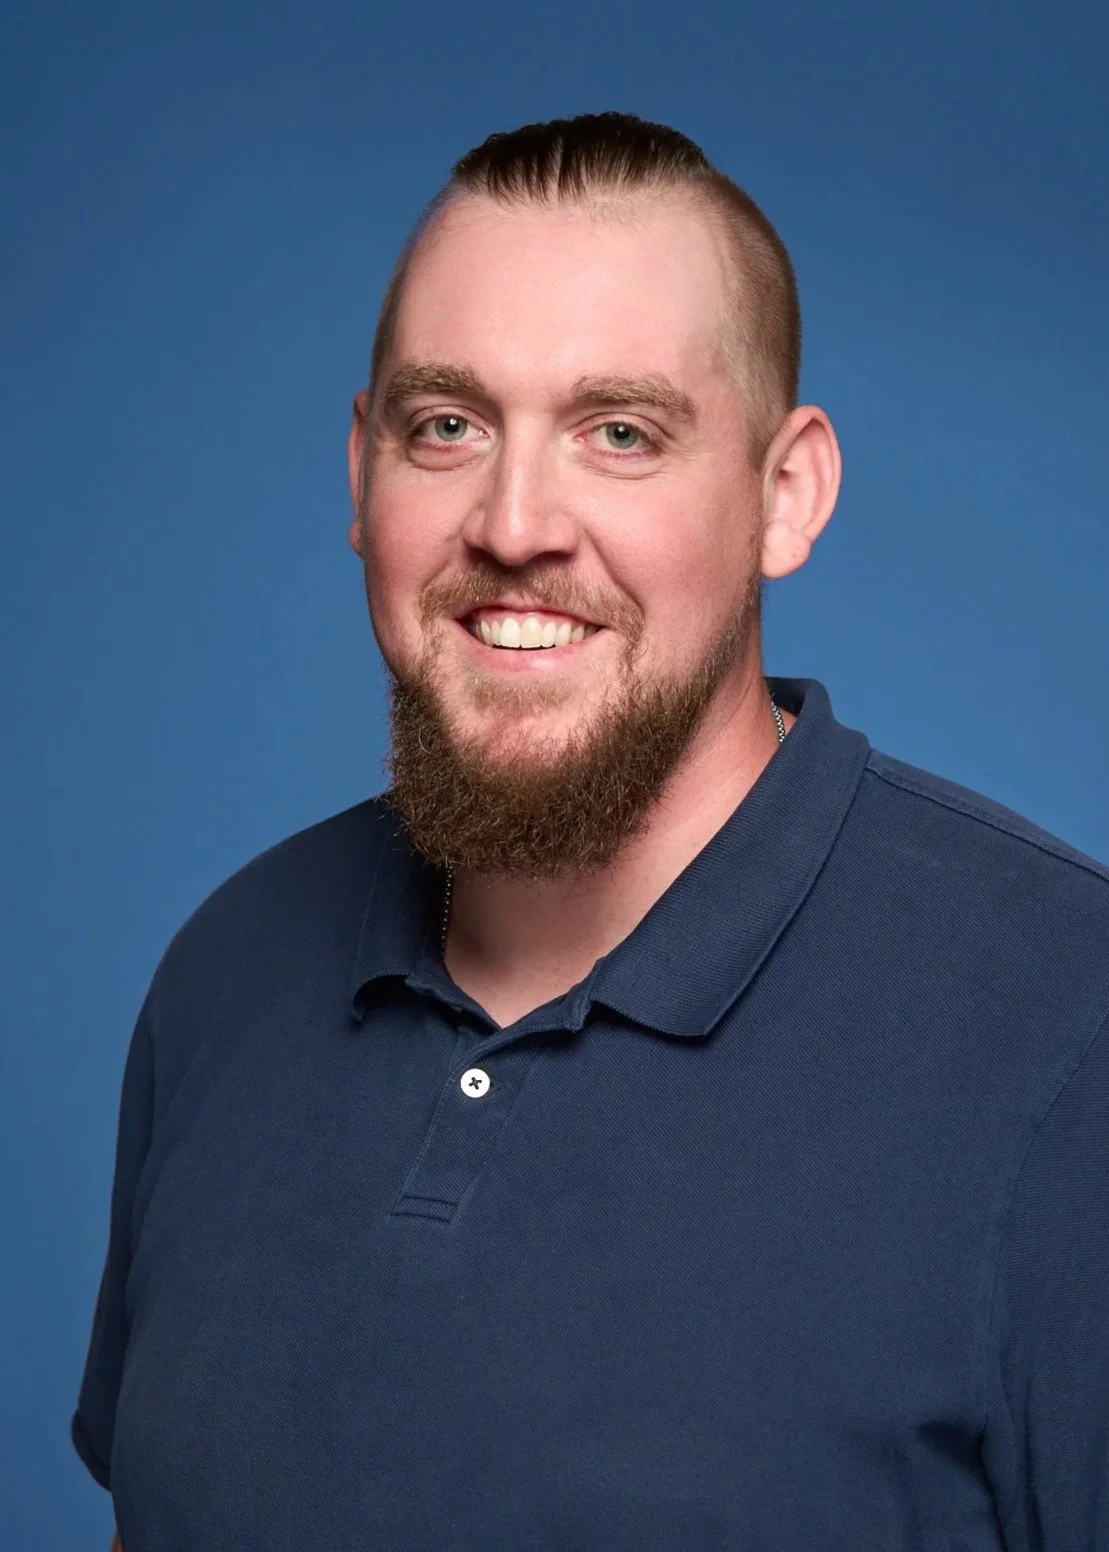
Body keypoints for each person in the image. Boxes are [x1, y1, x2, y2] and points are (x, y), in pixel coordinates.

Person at [74, 112, 1109, 1552]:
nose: (513, 523)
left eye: (618, 433)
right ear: (362, 471)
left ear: (784, 494)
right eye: (448, 427)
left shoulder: (1070, 1031)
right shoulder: (225, 977)